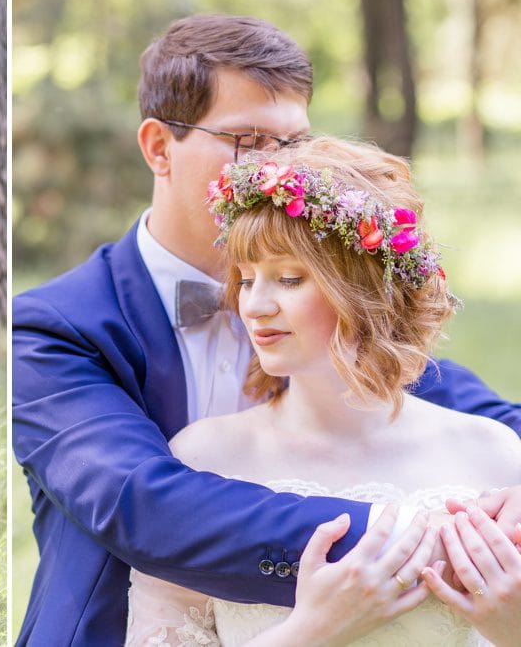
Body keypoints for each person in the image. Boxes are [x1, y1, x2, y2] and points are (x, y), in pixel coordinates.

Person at [11, 15, 521, 645]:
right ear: (158, 147)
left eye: (294, 144)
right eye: (248, 142)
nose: (273, 169)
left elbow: (476, 419)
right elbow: (142, 505)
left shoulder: (340, 320)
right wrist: (429, 543)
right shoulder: (54, 332)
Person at [125, 137, 521, 645]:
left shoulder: (495, 455)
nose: (255, 305)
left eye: (288, 278)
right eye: (246, 280)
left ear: (366, 288)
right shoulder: (203, 463)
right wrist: (313, 631)